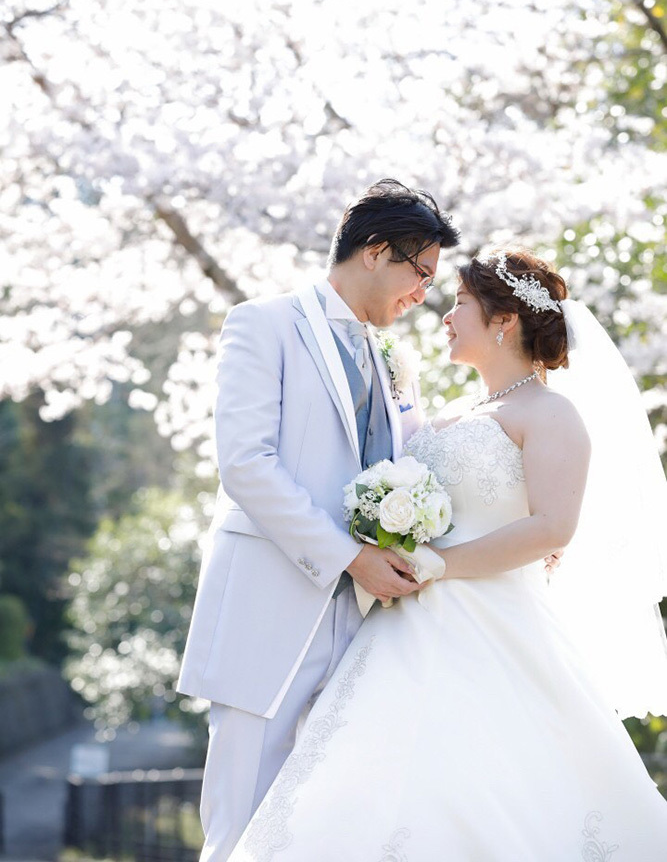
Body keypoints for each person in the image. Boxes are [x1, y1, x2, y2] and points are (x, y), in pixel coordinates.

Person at [228, 248, 667, 861]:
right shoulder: (453, 413)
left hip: (492, 624)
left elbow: (552, 528)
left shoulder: (550, 413)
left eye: (461, 302)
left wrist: (440, 564)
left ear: (504, 320)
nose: (444, 316)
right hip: (401, 625)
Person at [176, 179, 461, 860]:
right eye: (419, 272)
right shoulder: (262, 322)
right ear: (372, 251)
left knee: (324, 829)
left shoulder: (395, 359)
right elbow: (245, 464)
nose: (423, 293)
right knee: (240, 826)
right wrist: (347, 555)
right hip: (266, 614)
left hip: (365, 626)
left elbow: (419, 461)